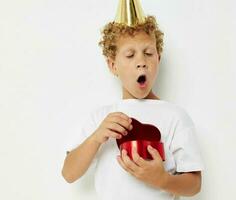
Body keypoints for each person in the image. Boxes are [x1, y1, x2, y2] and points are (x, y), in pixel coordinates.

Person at [61, 0, 204, 199]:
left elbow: (194, 184)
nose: (141, 63)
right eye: (130, 55)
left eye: (148, 53)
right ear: (113, 65)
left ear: (158, 59)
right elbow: (68, 173)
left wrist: (161, 179)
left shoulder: (175, 116)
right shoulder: (101, 118)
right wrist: (96, 138)